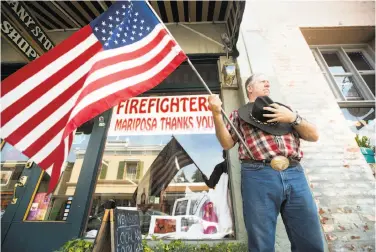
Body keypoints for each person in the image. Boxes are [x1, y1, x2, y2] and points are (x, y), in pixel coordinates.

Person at [208, 73, 324, 252]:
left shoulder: (287, 111)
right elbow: (226, 143)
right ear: (250, 88)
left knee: (309, 236)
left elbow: (314, 135)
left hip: (294, 172)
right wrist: (216, 114)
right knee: (261, 240)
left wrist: (293, 118)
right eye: (262, 81)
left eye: (267, 81)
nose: (267, 83)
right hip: (258, 173)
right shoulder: (238, 114)